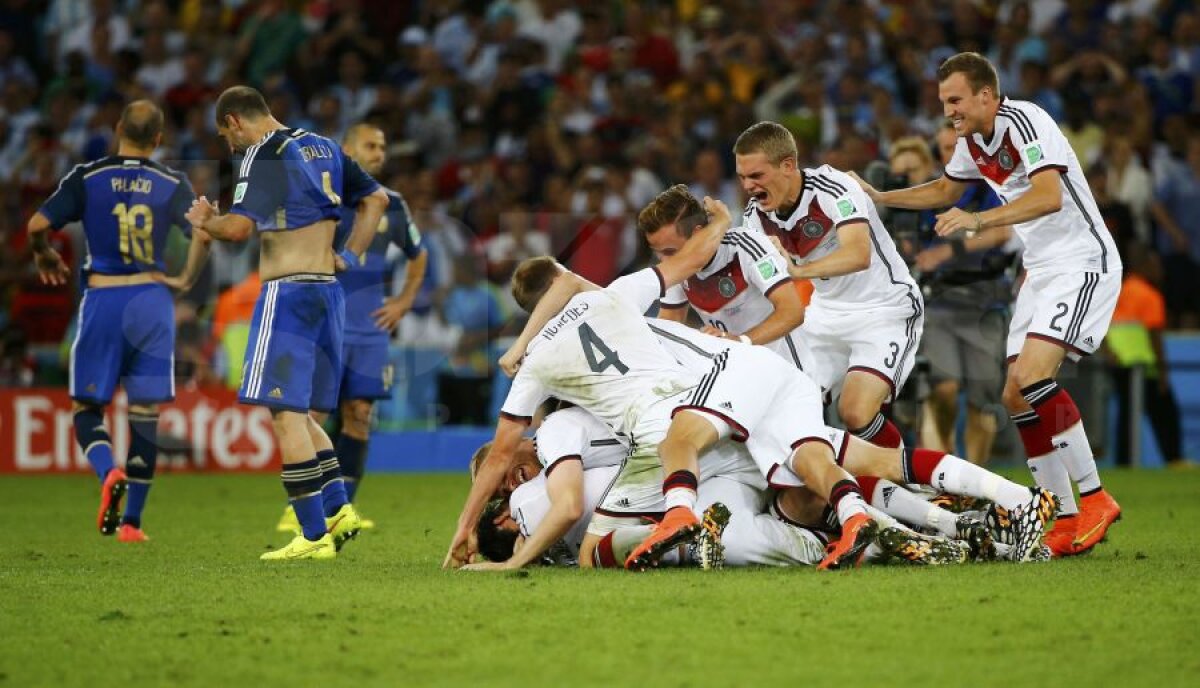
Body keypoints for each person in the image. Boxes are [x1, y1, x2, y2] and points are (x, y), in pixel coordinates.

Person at [851, 52, 1123, 557]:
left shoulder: (1025, 120)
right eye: (942, 102)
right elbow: (946, 189)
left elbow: (1048, 196)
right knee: (1015, 396)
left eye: (956, 100)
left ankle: (1095, 497)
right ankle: (1063, 516)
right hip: (1043, 271)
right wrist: (880, 199)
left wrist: (980, 221)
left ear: (986, 95)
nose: (949, 110)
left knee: (1035, 376)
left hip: (1083, 260)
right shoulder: (972, 143)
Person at [181, 86, 388, 560]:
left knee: (283, 414)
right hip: (327, 292)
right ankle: (338, 509)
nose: (229, 147)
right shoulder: (324, 146)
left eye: (224, 136)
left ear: (235, 121)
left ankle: (313, 537)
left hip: (288, 292)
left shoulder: (261, 153)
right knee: (301, 412)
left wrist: (206, 220)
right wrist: (350, 255)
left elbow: (237, 230)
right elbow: (375, 199)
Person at [27, 100, 197, 542]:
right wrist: (185, 277)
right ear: (158, 139)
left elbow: (36, 225)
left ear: (118, 127)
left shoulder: (87, 176)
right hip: (153, 299)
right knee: (145, 414)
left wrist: (44, 252)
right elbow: (205, 230)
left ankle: (107, 471)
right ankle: (133, 525)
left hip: (104, 297)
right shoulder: (172, 181)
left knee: (87, 407)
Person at [275, 122, 427, 535]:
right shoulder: (323, 199)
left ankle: (343, 508)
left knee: (359, 415)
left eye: (383, 146)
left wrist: (404, 301)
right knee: (314, 415)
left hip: (370, 329)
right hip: (325, 320)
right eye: (370, 145)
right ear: (345, 149)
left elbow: (418, 254)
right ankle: (302, 505)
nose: (379, 153)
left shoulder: (392, 204)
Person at [736, 121, 924, 451]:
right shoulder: (754, 217)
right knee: (790, 403)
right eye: (742, 177)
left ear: (788, 165)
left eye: (756, 176)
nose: (748, 186)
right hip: (824, 316)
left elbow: (858, 253)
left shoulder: (833, 187)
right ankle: (832, 493)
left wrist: (797, 270)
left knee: (855, 412)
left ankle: (907, 479)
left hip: (885, 308)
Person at [901, 128, 1015, 464]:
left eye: (958, 146)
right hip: (942, 303)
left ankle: (975, 475)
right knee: (943, 388)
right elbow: (913, 241)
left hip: (984, 303)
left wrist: (948, 249)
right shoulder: (936, 193)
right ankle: (947, 457)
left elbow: (1002, 231)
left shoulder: (990, 187)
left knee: (982, 400)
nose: (952, 153)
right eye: (946, 149)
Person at [645, 184, 814, 373]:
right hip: (735, 373)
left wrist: (739, 341)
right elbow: (670, 326)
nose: (664, 261)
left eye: (670, 251)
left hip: (787, 370)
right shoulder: (677, 268)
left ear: (698, 235)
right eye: (658, 253)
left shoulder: (747, 248)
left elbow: (793, 312)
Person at [1105, 241, 1189, 468]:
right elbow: (1155, 338)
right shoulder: (1150, 295)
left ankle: (1124, 463)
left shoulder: (1117, 291)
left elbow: (1102, 329)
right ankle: (1175, 459)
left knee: (1126, 418)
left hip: (1121, 365)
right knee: (1165, 415)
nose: (1160, 270)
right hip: (1145, 366)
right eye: (1156, 265)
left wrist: (1108, 354)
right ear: (1145, 265)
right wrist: (1163, 372)